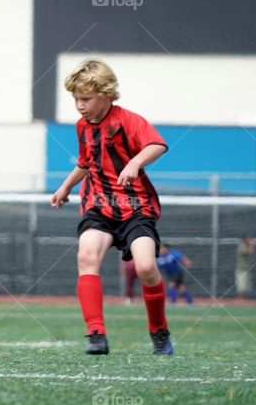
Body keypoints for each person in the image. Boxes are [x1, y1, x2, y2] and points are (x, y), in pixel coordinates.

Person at [50, 59, 172, 356]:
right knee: (86, 256)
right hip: (98, 205)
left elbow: (157, 144)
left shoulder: (127, 120)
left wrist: (133, 163)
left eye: (86, 99)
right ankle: (96, 335)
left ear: (106, 94)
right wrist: (66, 187)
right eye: (76, 99)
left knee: (145, 267)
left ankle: (159, 331)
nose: (80, 106)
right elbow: (85, 162)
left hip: (135, 206)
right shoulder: (82, 126)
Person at [235, 233, 255, 298]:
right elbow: (251, 251)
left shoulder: (246, 245)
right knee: (242, 287)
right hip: (241, 270)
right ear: (244, 239)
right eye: (248, 238)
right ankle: (240, 301)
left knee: (246, 287)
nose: (250, 239)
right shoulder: (242, 246)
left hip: (246, 269)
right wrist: (251, 244)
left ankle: (244, 299)